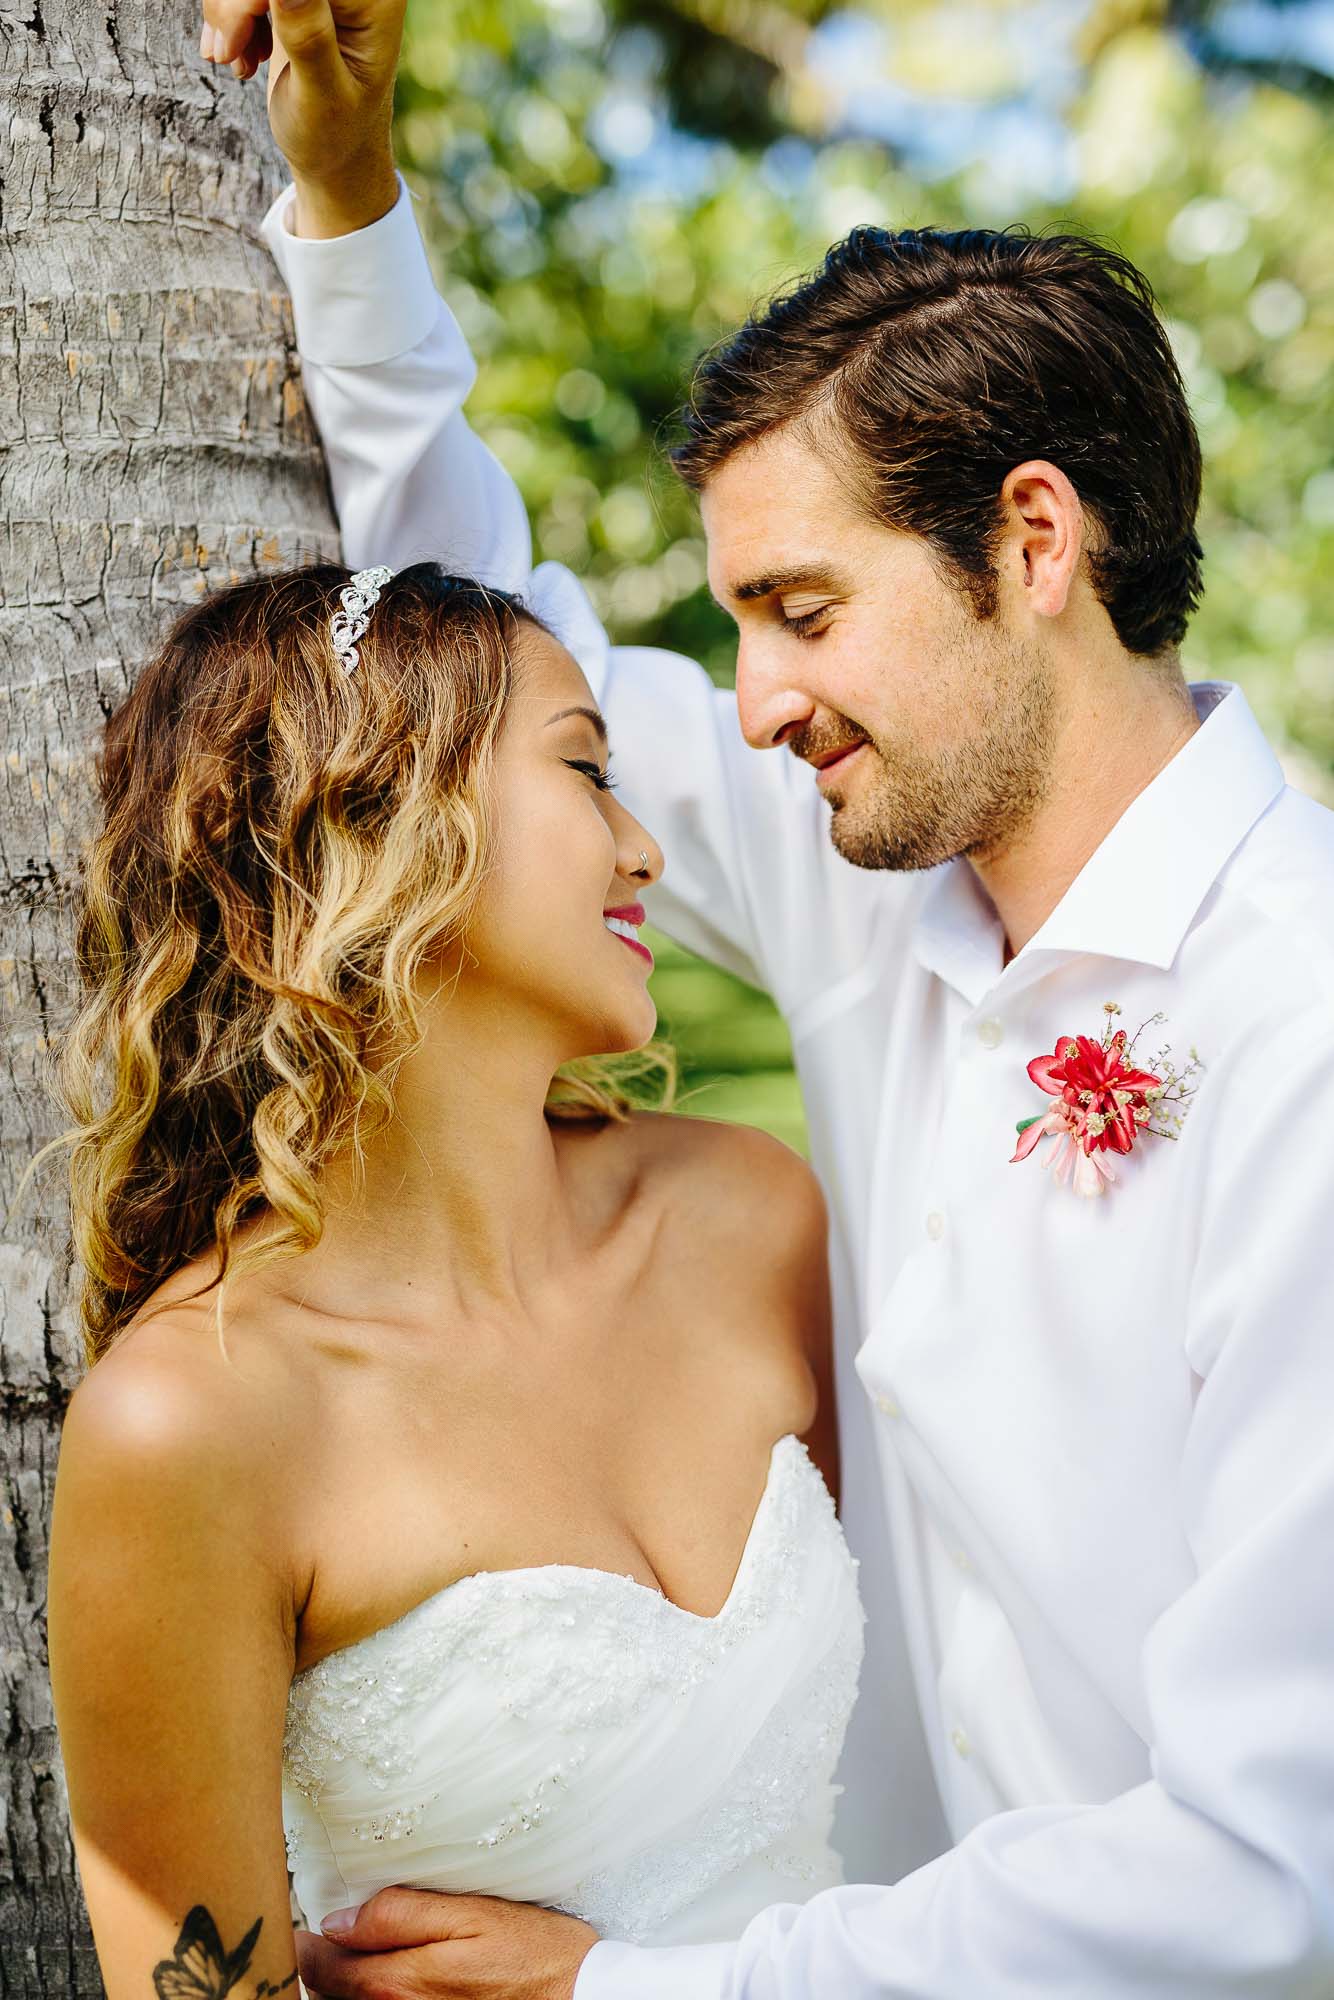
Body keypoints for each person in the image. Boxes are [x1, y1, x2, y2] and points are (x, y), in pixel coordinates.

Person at [207, 1, 1334, 1995]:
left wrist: (627, 1992)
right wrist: (352, 190)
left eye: (800, 613)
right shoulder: (872, 839)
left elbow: (1269, 1862)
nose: (749, 706)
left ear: (1036, 537)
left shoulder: (1303, 1019)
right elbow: (493, 671)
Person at [43, 560, 866, 2000]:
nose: (642, 852)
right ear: (381, 815)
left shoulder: (746, 1221)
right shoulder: (194, 1421)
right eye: (584, 774)